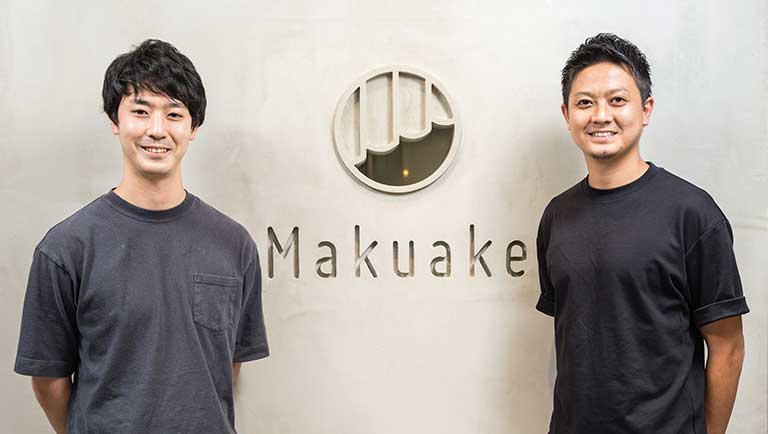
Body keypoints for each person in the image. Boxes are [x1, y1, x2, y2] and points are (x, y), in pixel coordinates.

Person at [14, 39, 269, 434]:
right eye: (140, 111)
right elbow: (49, 379)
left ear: (193, 127)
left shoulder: (233, 244)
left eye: (174, 114)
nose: (157, 129)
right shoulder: (67, 248)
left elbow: (228, 363)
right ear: (115, 121)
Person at [536, 33, 749, 434]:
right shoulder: (556, 216)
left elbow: (728, 345)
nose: (601, 115)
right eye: (585, 102)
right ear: (567, 114)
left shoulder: (692, 213)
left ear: (646, 109)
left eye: (617, 100)